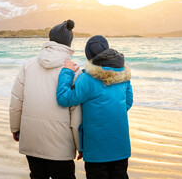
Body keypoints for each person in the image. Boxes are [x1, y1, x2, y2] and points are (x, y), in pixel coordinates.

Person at [10, 20, 82, 179]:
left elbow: (16, 101)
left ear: (50, 40)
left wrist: (15, 128)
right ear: (69, 41)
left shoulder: (28, 66)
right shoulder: (74, 71)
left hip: (32, 140)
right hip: (61, 148)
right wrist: (79, 145)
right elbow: (76, 115)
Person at [56, 35, 133, 179]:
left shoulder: (87, 79)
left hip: (96, 149)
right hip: (120, 146)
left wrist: (67, 71)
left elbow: (64, 98)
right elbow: (127, 102)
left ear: (88, 57)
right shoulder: (123, 75)